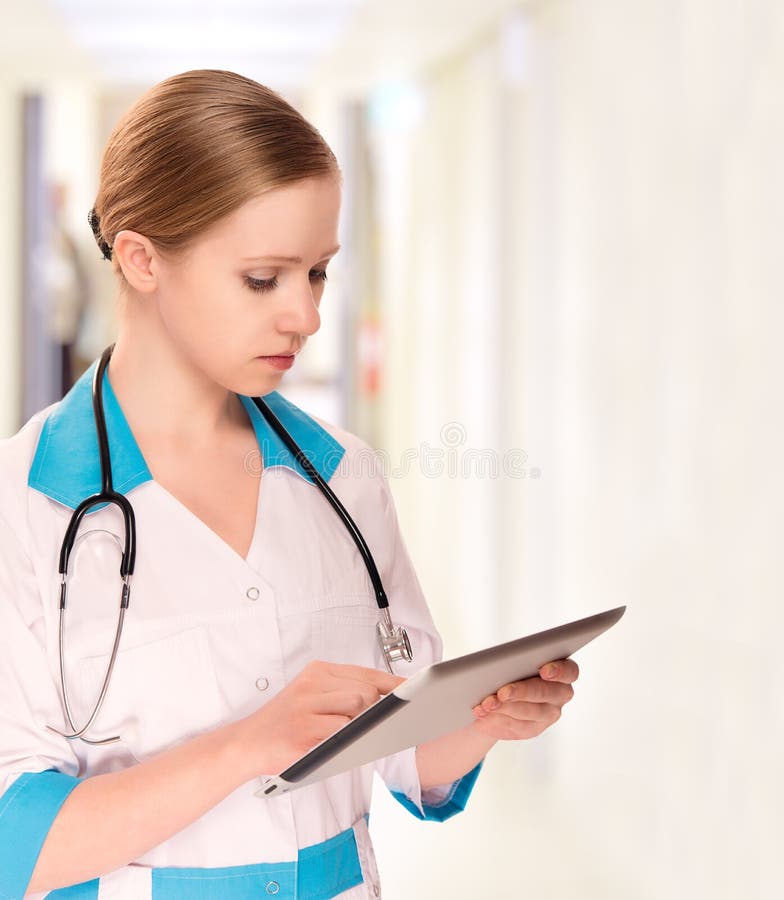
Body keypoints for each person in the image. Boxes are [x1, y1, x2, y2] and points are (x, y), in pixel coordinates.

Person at [0, 69, 579, 899]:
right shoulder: (24, 504)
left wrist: (482, 723)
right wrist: (248, 744)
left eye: (318, 274)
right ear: (140, 259)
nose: (305, 316)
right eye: (263, 278)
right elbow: (14, 840)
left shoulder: (344, 478)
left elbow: (404, 752)